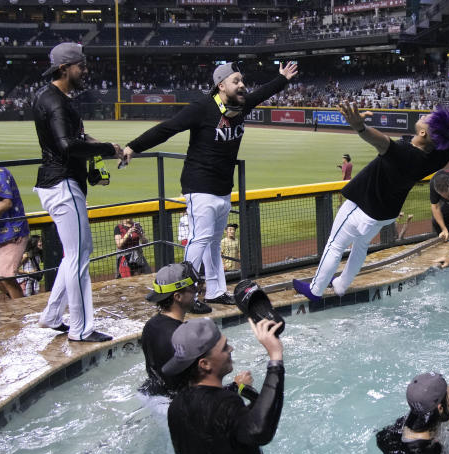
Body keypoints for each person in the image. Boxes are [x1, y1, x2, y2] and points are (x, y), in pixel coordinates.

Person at [295, 103, 449, 300]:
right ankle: (340, 286)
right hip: (385, 214)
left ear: (423, 133)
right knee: (359, 246)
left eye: (427, 117)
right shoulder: (441, 150)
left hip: (361, 206)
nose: (424, 114)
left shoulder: (404, 153)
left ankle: (315, 290)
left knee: (335, 246)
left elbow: (379, 140)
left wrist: (360, 127)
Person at [122, 61, 299, 305]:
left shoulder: (240, 105)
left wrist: (282, 79)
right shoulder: (202, 108)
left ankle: (215, 291)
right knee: (199, 239)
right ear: (221, 85)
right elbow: (167, 128)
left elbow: (262, 93)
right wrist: (133, 146)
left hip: (223, 188)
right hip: (199, 186)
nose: (242, 85)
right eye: (236, 81)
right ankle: (185, 295)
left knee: (214, 243)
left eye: (242, 81)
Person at [33, 42, 123, 342]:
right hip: (63, 184)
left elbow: (76, 137)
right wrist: (108, 148)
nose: (85, 70)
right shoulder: (57, 102)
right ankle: (81, 329)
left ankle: (52, 315)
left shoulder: (48, 97)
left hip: (55, 183)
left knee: (76, 254)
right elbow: (68, 146)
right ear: (64, 68)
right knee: (79, 256)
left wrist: (102, 146)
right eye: (80, 66)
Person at [164, 316, 288, 454]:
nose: (231, 349)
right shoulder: (225, 404)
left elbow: (221, 434)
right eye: (224, 348)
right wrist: (275, 357)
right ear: (204, 364)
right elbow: (260, 431)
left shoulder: (177, 405)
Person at [140, 262, 210, 398]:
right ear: (178, 296)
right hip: (176, 405)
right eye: (192, 287)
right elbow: (198, 388)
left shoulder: (150, 326)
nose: (197, 291)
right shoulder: (184, 337)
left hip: (149, 395)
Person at [0, 158, 30, 299]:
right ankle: (15, 298)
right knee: (6, 280)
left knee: (7, 278)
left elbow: (6, 203)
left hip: (11, 233)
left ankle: (20, 311)